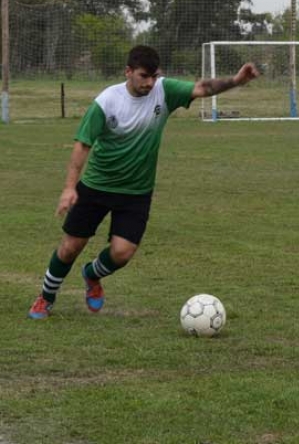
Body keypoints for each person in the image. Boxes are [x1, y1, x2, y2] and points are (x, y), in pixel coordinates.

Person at [28, 45, 260, 320]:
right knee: (70, 247)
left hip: (136, 191)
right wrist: (69, 188)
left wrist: (235, 81)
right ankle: (46, 297)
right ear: (128, 72)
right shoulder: (107, 101)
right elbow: (82, 145)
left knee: (122, 253)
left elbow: (201, 88)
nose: (149, 82)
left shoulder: (164, 91)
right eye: (143, 76)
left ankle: (91, 275)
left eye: (153, 76)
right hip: (96, 186)